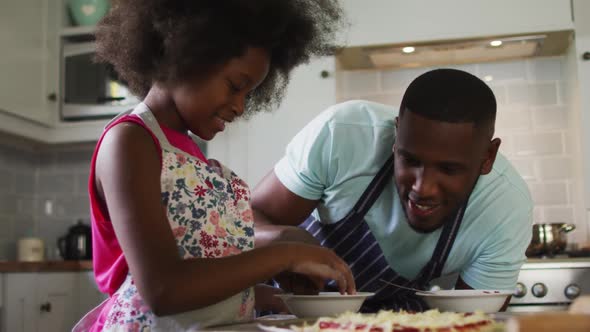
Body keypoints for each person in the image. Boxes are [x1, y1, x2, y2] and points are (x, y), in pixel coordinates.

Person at [75, 1, 356, 331]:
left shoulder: (192, 156)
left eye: (249, 95)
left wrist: (274, 297)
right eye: (236, 86)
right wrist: (285, 254)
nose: (240, 106)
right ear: (185, 55)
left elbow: (201, 278)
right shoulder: (130, 143)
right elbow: (164, 289)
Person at [252, 69, 533, 312]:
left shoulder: (505, 209)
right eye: (410, 160)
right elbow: (245, 221)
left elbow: (476, 323)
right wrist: (286, 241)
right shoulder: (342, 133)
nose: (423, 188)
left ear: (488, 157)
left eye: (448, 170)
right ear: (396, 135)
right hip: (286, 316)